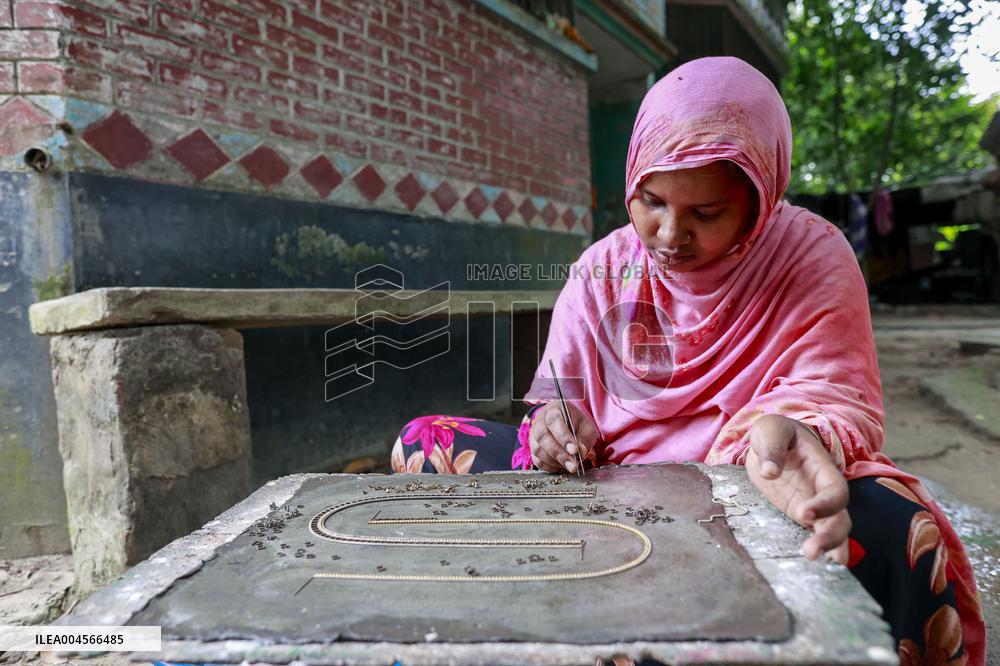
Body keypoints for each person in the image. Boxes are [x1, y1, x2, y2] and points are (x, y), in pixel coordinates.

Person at [390, 57, 985, 664]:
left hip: (750, 492)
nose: (670, 235)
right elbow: (557, 398)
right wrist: (556, 430)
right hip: (605, 490)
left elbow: (835, 393)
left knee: (901, 524)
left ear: (759, 199)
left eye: (706, 213)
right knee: (426, 441)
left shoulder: (810, 256)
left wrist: (788, 434)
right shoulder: (602, 267)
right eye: (651, 201)